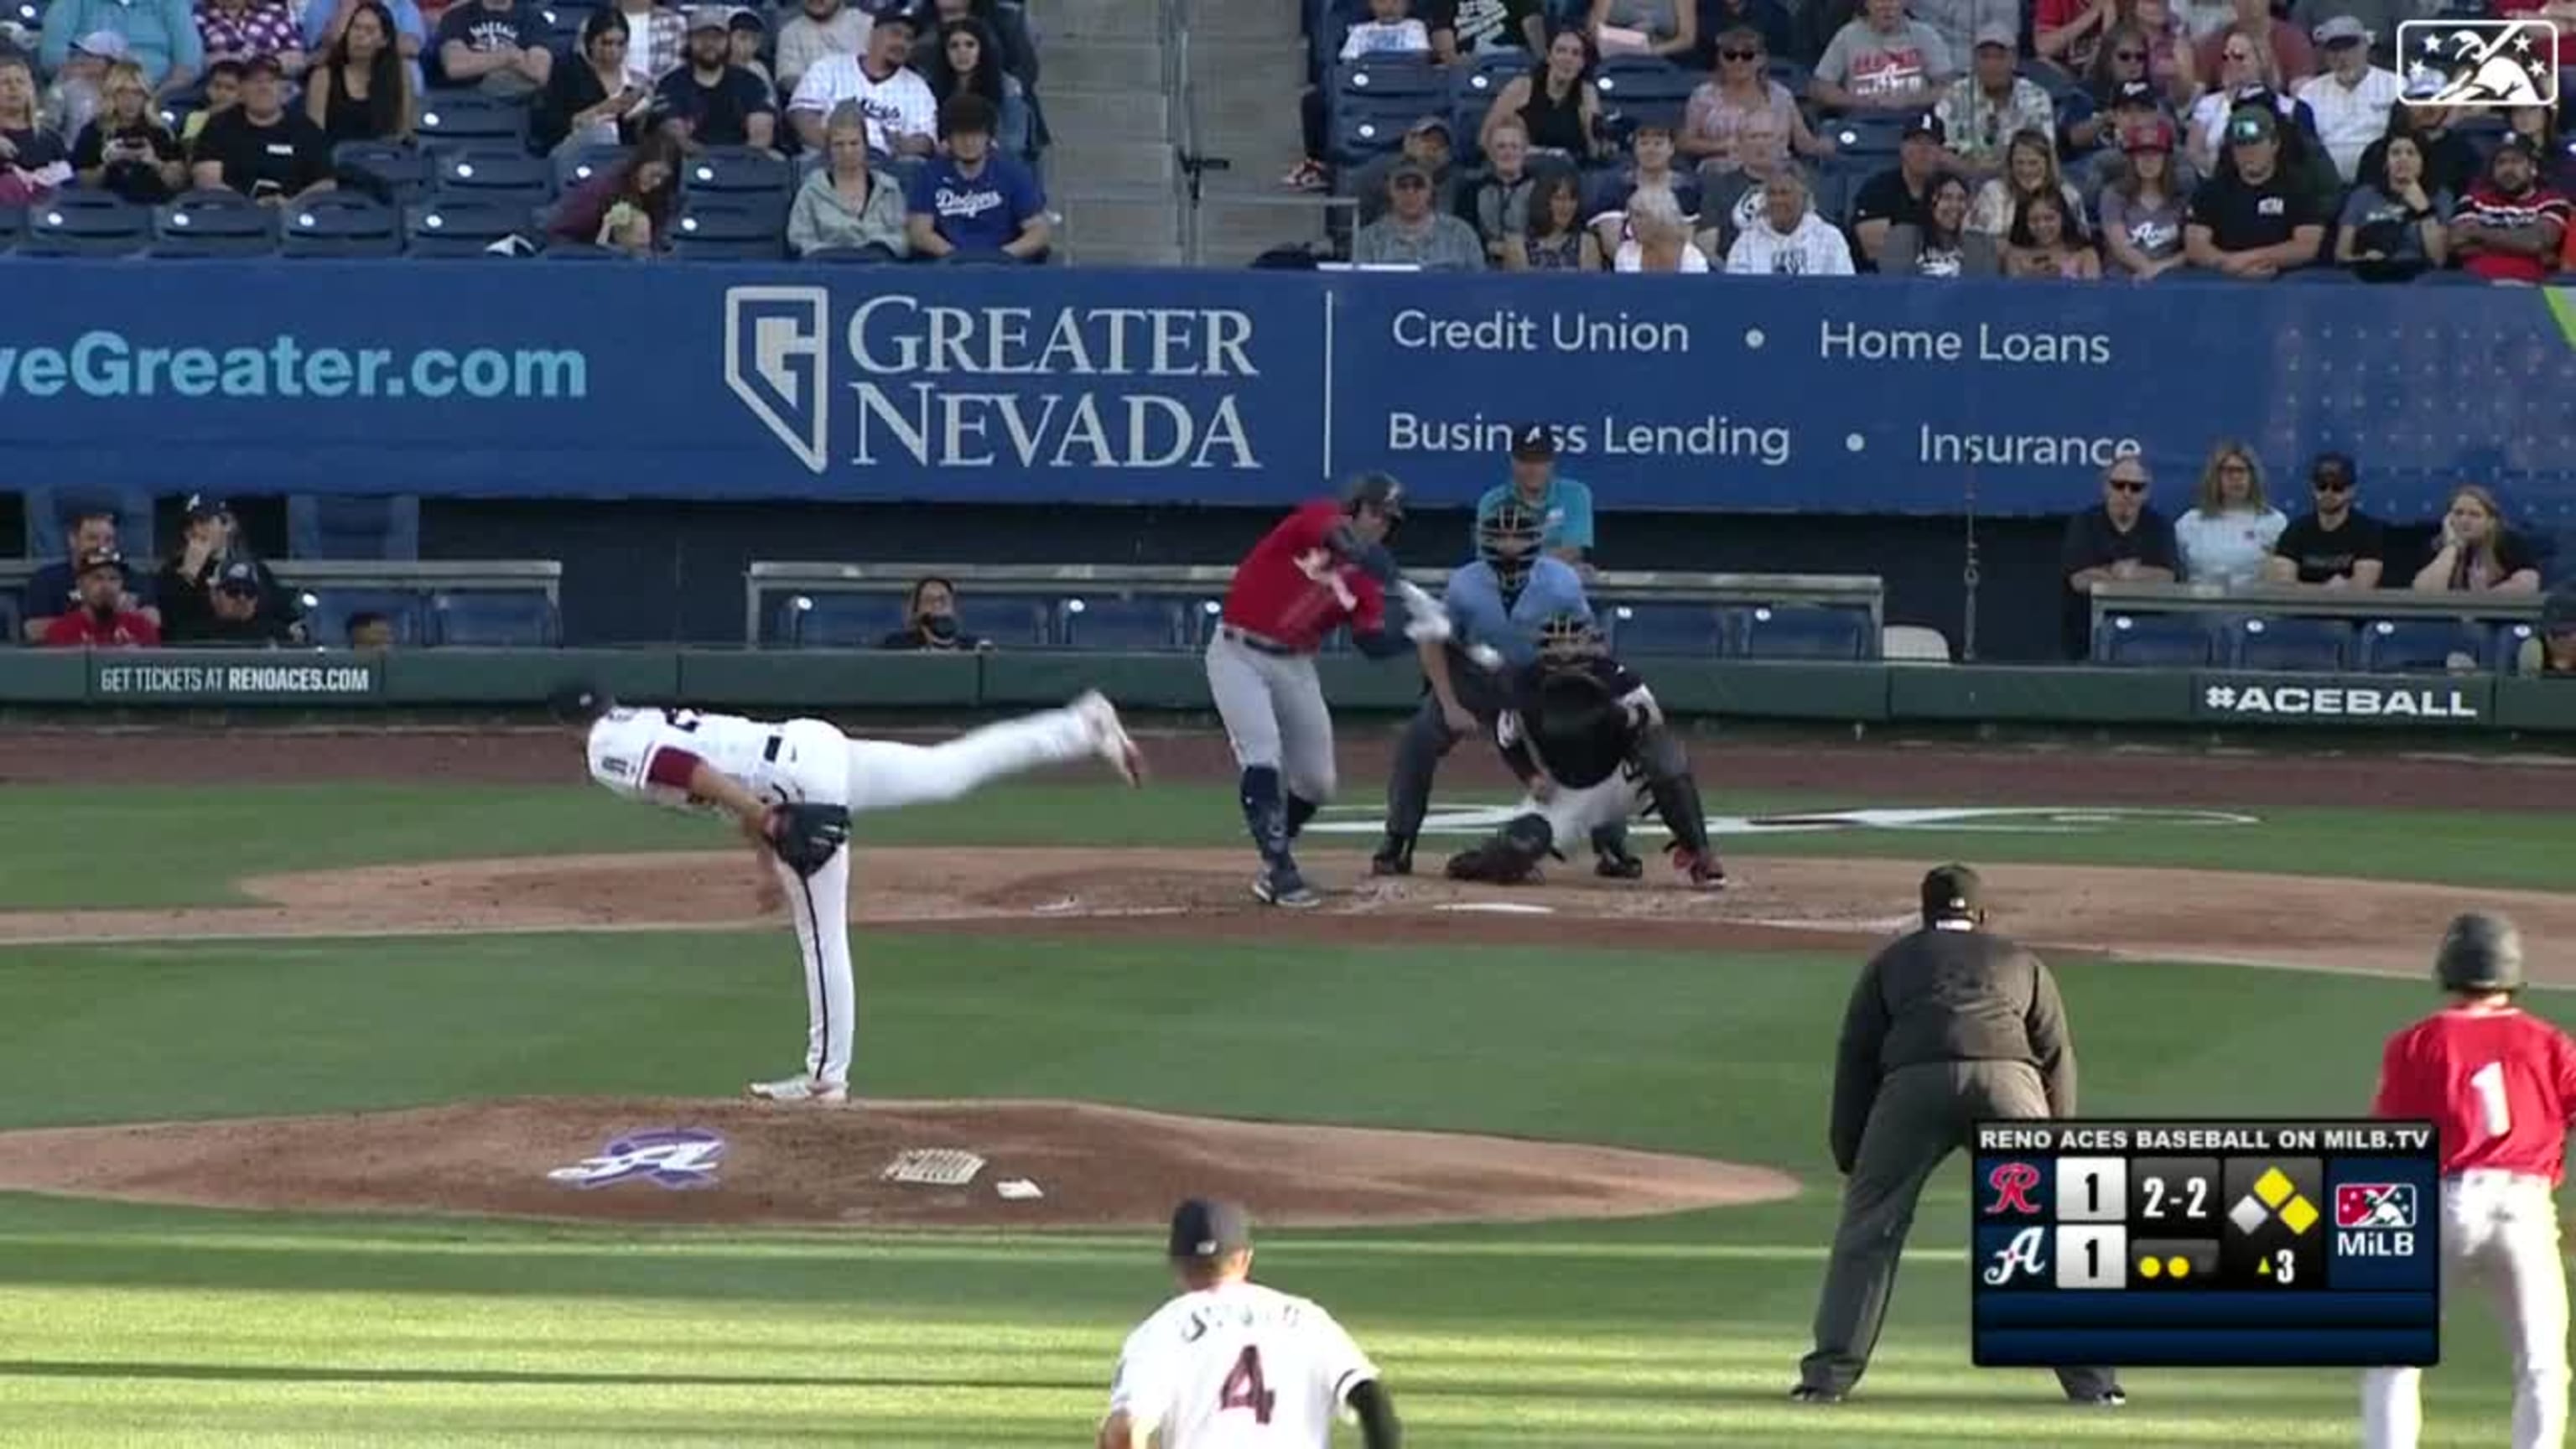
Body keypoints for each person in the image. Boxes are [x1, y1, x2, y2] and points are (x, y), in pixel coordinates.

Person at [553, 682, 1142, 1104]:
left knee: (821, 937)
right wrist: (764, 862)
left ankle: (824, 1079)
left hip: (794, 786)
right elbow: (720, 775)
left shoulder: (604, 747)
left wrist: (767, 822)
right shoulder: (640, 716)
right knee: (946, 770)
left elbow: (686, 771)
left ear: (567, 728)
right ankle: (1079, 726)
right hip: (813, 747)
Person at [1792, 864, 2123, 1407]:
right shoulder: (2020, 961)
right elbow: (2057, 1056)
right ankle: (2095, 1384)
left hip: (1912, 1086)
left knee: (1869, 1229)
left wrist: (1851, 1151)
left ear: (1924, 916)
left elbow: (1855, 1058)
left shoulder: (1892, 961)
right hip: (2008, 1083)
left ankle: (1826, 1380)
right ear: (1982, 916)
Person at [2362, 913, 2573, 1449]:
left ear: (2450, 969)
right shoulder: (2550, 1044)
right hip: (2524, 1208)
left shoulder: (2415, 1043)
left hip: (2442, 1203)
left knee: (2395, 1358)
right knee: (2542, 1363)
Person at [1203, 473, 1434, 909]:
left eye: (1388, 521)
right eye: (1375, 514)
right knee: (1263, 753)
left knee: (1318, 783)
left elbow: (1371, 644)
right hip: (1238, 653)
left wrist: (1419, 633)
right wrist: (1373, 560)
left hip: (1295, 665)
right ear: (1355, 506)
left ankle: (1277, 852)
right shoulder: (1317, 517)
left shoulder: (1363, 583)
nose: (1380, 526)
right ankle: (1278, 870)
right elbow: (1339, 538)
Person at [1372, 497, 1595, 879]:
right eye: (1501, 536)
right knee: (1419, 740)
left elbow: (1588, 639)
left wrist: (1573, 694)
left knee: (1589, 741)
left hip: (1537, 679)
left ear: (1536, 538)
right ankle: (1398, 840)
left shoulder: (1561, 581)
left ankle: (1613, 846)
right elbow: (1433, 638)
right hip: (1473, 680)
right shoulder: (1465, 582)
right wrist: (1448, 702)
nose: (1510, 545)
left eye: (1518, 536)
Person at [1436, 613, 1726, 889]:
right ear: (1543, 646)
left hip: (1623, 776)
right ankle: (1494, 859)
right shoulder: (1524, 684)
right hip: (1570, 789)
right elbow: (1507, 739)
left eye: (1573, 641)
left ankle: (1699, 852)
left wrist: (1619, 716)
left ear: (1589, 642)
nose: (1565, 651)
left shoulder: (1615, 677)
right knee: (1516, 849)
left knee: (1665, 755)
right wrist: (1531, 776)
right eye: (1556, 643)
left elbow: (1654, 721)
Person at [1098, 1199, 1402, 1449]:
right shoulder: (1306, 1319)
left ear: (1177, 1264)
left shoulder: (1161, 1330)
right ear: (1245, 1258)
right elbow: (1372, 1399)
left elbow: (1126, 1431)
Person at [1680, 24, 1831, 213]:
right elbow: (1685, 142)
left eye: (1748, 55)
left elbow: (1803, 142)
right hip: (1722, 171)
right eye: (1730, 55)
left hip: (1777, 169)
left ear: (1761, 59)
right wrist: (1724, 145)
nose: (1739, 62)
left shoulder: (1780, 96)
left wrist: (1826, 144)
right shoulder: (1704, 96)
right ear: (1720, 59)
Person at [2183, 106, 2325, 278]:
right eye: (2241, 145)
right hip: (2224, 280)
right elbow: (2196, 246)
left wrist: (2248, 259)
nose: (2248, 152)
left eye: (2256, 143)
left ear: (2274, 144)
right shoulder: (2211, 190)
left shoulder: (2299, 186)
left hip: (2286, 282)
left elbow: (2306, 246)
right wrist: (2230, 265)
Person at [904, 93, 1048, 261]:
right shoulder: (929, 174)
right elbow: (919, 232)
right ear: (948, 139)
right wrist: (957, 257)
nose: (968, 142)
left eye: (976, 134)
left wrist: (1001, 256)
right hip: (946, 267)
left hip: (1005, 268)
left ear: (989, 137)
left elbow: (1038, 231)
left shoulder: (1014, 173)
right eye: (960, 135)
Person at [2060, 454, 2178, 657]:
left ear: (2146, 493)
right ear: (2106, 488)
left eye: (2135, 487)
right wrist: (2128, 574)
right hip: (2086, 636)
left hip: (2146, 637)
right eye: (2119, 485)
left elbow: (2166, 577)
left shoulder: (2159, 526)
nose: (2127, 493)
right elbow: (2079, 580)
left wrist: (2108, 573)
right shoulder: (2084, 524)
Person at [190, 54, 333, 203]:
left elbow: (325, 183)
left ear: (283, 90)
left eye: (271, 81)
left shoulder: (306, 129)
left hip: (291, 216)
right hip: (232, 213)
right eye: (255, 81)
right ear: (242, 90)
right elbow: (207, 180)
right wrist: (249, 207)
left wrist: (292, 205)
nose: (263, 87)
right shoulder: (218, 126)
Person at [788, 10, 934, 155]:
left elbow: (925, 140)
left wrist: (903, 145)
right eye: (895, 34)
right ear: (873, 34)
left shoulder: (917, 87)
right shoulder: (829, 67)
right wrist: (838, 150)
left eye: (909, 39)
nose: (901, 43)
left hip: (887, 166)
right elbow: (801, 114)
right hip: (827, 158)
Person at [787, 100, 909, 257]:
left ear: (865, 146)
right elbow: (799, 238)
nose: (847, 151)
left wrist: (878, 247)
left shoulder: (889, 188)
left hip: (880, 269)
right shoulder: (812, 189)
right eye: (839, 145)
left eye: (854, 143)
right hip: (828, 269)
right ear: (829, 149)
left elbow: (904, 238)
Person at [1935, 21, 2055, 178]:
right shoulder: (1955, 94)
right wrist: (1974, 172)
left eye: (2000, 57)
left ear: (2014, 60)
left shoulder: (2036, 97)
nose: (1992, 64)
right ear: (1974, 60)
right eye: (1984, 57)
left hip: (2019, 181)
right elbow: (1939, 152)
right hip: (1963, 184)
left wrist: (1992, 171)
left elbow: (2044, 152)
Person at [2452, 132, 2569, 286]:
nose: (2508, 169)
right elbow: (2457, 241)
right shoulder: (2473, 199)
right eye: (2501, 162)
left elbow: (2537, 242)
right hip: (2475, 285)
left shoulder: (2553, 201)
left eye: (2516, 161)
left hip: (2533, 287)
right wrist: (2525, 245)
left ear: (2533, 167)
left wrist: (2479, 233)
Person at [652, 5, 773, 149]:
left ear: (728, 40)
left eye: (717, 37)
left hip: (743, 163)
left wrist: (731, 162)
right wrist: (708, 160)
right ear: (689, 40)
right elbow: (675, 134)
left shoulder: (751, 83)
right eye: (701, 36)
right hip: (687, 164)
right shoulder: (670, 83)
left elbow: (761, 136)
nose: (709, 43)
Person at [533, 8, 651, 158]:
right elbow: (549, 125)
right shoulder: (569, 71)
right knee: (603, 133)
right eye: (607, 43)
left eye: (620, 44)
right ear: (591, 42)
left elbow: (637, 136)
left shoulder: (635, 80)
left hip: (623, 155)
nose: (614, 50)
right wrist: (601, 110)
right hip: (572, 152)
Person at [2335, 131, 2450, 280]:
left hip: (2419, 277)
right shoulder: (2363, 195)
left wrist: (2424, 209)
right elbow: (2341, 254)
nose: (2403, 159)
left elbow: (2438, 259)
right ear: (2385, 163)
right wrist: (2363, 260)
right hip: (2369, 274)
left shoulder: (2441, 196)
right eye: (2395, 153)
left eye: (2411, 153)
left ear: (2423, 162)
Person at [23, 510, 153, 641]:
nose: (101, 545)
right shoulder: (46, 579)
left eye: (108, 540)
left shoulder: (132, 576)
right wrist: (91, 614)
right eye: (92, 538)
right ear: (73, 540)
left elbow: (154, 620)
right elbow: (33, 630)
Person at [70, 58, 187, 202]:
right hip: (106, 210)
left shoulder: (160, 132)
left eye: (137, 93)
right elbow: (82, 184)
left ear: (145, 96)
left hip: (154, 207)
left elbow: (178, 183)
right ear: (112, 95)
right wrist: (107, 165)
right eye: (122, 92)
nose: (129, 100)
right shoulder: (94, 130)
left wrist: (155, 162)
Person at [1479, 28, 1604, 164]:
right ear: (1549, 57)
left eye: (1576, 53)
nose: (1567, 59)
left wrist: (1591, 122)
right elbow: (1485, 139)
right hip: (1523, 169)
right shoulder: (1521, 87)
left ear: (1582, 63)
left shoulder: (1587, 92)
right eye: (1561, 50)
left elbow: (1595, 152)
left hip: (1568, 176)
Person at [2296, 15, 2397, 181]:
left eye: (2349, 48)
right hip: (2327, 182)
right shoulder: (2309, 94)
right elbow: (2305, 147)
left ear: (2365, 45)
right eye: (2334, 50)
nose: (2342, 57)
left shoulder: (2396, 86)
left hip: (2382, 179)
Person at [549, 127, 682, 253]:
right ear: (640, 164)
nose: (657, 182)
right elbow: (563, 234)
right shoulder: (602, 189)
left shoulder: (659, 195)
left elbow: (657, 237)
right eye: (654, 174)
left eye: (664, 178)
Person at [2174, 439, 2288, 585]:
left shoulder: (2273, 521)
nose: (2236, 478)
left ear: (2253, 477)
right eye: (2229, 471)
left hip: (2253, 605)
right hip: (2200, 605)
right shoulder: (2191, 522)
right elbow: (2177, 573)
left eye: (2242, 471)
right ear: (2215, 477)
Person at [2264, 451, 2386, 587]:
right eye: (2322, 486)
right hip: (2302, 608)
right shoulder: (2295, 530)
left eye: (2337, 487)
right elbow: (2283, 586)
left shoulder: (2368, 531)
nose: (2328, 493)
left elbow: (2363, 586)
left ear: (2352, 491)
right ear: (2312, 488)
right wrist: (2329, 589)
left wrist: (2303, 586)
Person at [1810, 0, 1954, 114]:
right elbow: (1820, 87)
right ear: (1866, 4)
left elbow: (1948, 87)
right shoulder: (1847, 36)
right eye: (1880, 1)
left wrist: (1908, 101)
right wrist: (1858, 102)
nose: (1887, 6)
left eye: (1893, 1)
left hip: (1916, 121)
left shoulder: (1925, 35)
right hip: (1862, 118)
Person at [304, 0, 412, 145]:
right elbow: (314, 138)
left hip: (384, 160)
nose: (359, 36)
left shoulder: (400, 74)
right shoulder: (324, 77)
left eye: (369, 30)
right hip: (336, 161)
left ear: (384, 41)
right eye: (355, 28)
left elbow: (405, 132)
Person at [1848, 111, 1946, 264]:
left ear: (1941, 152)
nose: (1924, 150)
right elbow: (1874, 248)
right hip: (1881, 281)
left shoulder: (1948, 189)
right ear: (1903, 148)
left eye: (1931, 143)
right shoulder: (1878, 187)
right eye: (1916, 141)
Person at [2098, 117, 2190, 278]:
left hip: (2169, 282)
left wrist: (2157, 269)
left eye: (2155, 154)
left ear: (2166, 159)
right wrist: (2146, 268)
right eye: (2141, 154)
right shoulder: (2113, 195)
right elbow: (2120, 247)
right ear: (2132, 159)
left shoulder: (2181, 197)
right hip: (2121, 282)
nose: (2148, 161)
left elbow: (2192, 249)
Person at [1352, 157, 1485, 268]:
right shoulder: (1369, 240)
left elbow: (1479, 287)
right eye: (1402, 186)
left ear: (1431, 190)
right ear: (1389, 191)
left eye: (1418, 185)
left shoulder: (1461, 234)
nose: (1410, 192)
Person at [2412, 484, 2543, 595]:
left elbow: (2528, 585)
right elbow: (2425, 592)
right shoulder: (2436, 546)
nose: (2464, 520)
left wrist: (2484, 598)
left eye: (2474, 515)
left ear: (2491, 522)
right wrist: (2452, 546)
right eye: (2458, 513)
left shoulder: (2508, 542)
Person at [1725, 165, 1856, 274]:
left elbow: (1842, 289)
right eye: (1772, 193)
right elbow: (1737, 290)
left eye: (1784, 193)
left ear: (1803, 197)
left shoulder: (1829, 238)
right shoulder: (1747, 241)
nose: (1777, 200)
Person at [1966, 127, 2086, 240]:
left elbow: (2081, 241)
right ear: (2010, 164)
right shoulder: (1993, 192)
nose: (2026, 170)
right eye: (2020, 163)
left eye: (2033, 163)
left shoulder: (2068, 194)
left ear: (2048, 164)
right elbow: (1984, 242)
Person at [1881, 172, 1999, 275]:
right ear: (1929, 204)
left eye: (1961, 199)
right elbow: (1895, 287)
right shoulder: (1903, 237)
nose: (1955, 206)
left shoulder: (1981, 245)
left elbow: (1984, 292)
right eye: (1946, 198)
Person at [38, 548, 159, 648]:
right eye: (97, 578)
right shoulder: (61, 632)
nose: (107, 586)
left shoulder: (142, 629)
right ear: (80, 585)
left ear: (122, 584)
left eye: (113, 579)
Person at [431, 0, 551, 96]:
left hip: (519, 100)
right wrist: (511, 56)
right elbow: (455, 67)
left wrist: (477, 62)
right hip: (467, 98)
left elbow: (539, 72)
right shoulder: (457, 16)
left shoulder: (533, 18)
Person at [174, 559, 301, 645]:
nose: (242, 598)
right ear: (214, 595)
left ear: (257, 599)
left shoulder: (277, 636)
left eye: (250, 591)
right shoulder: (192, 638)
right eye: (233, 591)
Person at [774, 0, 867, 102]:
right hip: (815, 105)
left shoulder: (866, 25)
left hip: (868, 101)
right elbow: (788, 80)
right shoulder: (790, 32)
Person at [2003, 190, 2100, 278]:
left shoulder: (2085, 255)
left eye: (2049, 218)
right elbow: (2014, 295)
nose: (2041, 226)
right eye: (2034, 220)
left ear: (2064, 218)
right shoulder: (2016, 257)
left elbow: (2092, 295)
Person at [1613, 184, 1708, 271]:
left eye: (1639, 215)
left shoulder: (1693, 260)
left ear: (1662, 218)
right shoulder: (1626, 254)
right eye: (1630, 216)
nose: (1632, 223)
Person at [196, 0, 307, 75]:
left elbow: (297, 56)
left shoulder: (273, 12)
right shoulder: (200, 16)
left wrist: (264, 64)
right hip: (222, 86)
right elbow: (195, 62)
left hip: (270, 82)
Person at [878, 576, 984, 650]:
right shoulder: (897, 645)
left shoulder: (974, 647)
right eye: (929, 600)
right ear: (916, 610)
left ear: (953, 608)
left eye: (943, 599)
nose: (937, 605)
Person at [1588, 0, 1696, 58]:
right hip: (1614, 56)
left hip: (1662, 57)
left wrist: (1652, 52)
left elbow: (1687, 38)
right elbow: (1594, 29)